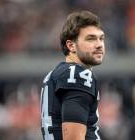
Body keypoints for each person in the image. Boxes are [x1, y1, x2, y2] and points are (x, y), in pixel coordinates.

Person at [40, 10, 105, 140]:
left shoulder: (59, 73)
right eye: (91, 39)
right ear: (71, 46)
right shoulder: (77, 75)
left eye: (101, 38)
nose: (99, 44)